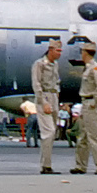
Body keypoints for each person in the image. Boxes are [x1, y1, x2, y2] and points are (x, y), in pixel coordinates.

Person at [70, 42, 97, 175]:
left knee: (95, 136)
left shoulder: (95, 68)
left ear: (85, 53)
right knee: (83, 137)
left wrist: (94, 101)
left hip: (91, 104)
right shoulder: (88, 68)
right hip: (86, 104)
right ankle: (80, 165)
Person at [32, 38, 62, 174]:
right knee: (48, 132)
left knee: (52, 133)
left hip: (54, 97)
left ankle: (45, 164)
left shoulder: (55, 65)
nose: (60, 53)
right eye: (57, 50)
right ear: (50, 50)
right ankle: (46, 166)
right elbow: (37, 84)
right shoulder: (39, 64)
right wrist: (43, 102)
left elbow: (57, 83)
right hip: (44, 97)